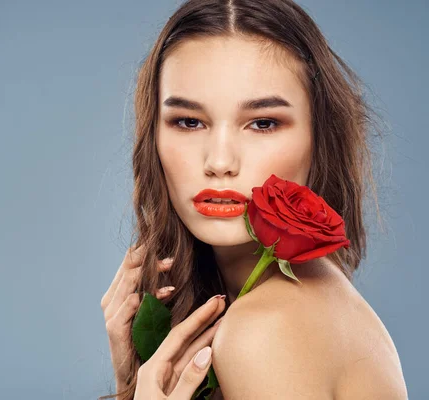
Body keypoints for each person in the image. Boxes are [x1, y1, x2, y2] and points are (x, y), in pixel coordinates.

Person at [99, 0, 408, 398]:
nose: (220, 162)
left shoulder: (266, 329)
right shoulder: (315, 304)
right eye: (189, 122)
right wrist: (133, 379)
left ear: (319, 139)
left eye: (262, 123)